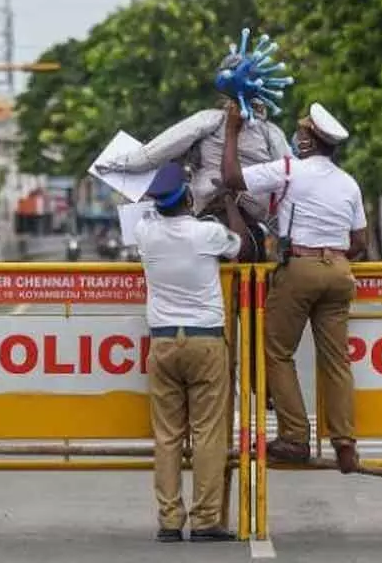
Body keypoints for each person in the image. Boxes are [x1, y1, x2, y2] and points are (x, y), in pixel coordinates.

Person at [218, 101, 368, 474]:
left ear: (307, 141)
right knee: (336, 360)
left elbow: (232, 177)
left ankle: (295, 437)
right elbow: (360, 240)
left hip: (300, 268)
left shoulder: (289, 170)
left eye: (300, 133)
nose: (296, 138)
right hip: (339, 269)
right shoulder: (348, 182)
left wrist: (233, 131)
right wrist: (329, 254)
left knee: (276, 351)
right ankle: (345, 441)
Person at [134, 160, 249, 543]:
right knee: (208, 434)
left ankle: (169, 521)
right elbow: (244, 247)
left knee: (167, 437)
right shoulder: (208, 235)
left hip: (163, 342)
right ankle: (205, 520)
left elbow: (154, 213)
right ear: (187, 196)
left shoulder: (145, 233)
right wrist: (229, 203)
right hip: (205, 341)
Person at [94, 97, 290, 262]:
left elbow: (155, 152)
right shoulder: (271, 132)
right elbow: (289, 175)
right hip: (246, 227)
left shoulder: (146, 233)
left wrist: (119, 162)